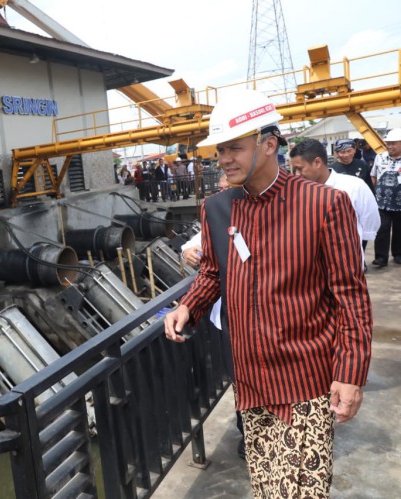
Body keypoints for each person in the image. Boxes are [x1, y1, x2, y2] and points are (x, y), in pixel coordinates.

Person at [163, 89, 372, 498]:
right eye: (220, 149)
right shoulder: (217, 207)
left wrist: (350, 374)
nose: (224, 159)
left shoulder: (324, 204)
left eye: (234, 148)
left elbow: (350, 296)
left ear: (268, 145)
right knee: (266, 488)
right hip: (250, 382)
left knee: (301, 492)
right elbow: (212, 272)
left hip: (306, 380)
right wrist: (188, 306)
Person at [180, 171, 245, 459]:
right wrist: (189, 253)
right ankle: (249, 434)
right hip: (229, 320)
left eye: (224, 187)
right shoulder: (217, 211)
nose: (218, 193)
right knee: (240, 381)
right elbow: (197, 253)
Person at [290, 138, 380, 262]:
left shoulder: (354, 186)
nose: (297, 175)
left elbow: (371, 219)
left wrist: (355, 242)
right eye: (295, 170)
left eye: (300, 169)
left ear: (317, 162)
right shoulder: (297, 191)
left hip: (347, 265)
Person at [370, 128, 401, 266]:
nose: (389, 146)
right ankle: (381, 257)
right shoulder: (380, 157)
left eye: (393, 143)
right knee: (382, 229)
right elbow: (374, 175)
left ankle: (398, 254)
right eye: (388, 143)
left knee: (399, 229)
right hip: (381, 203)